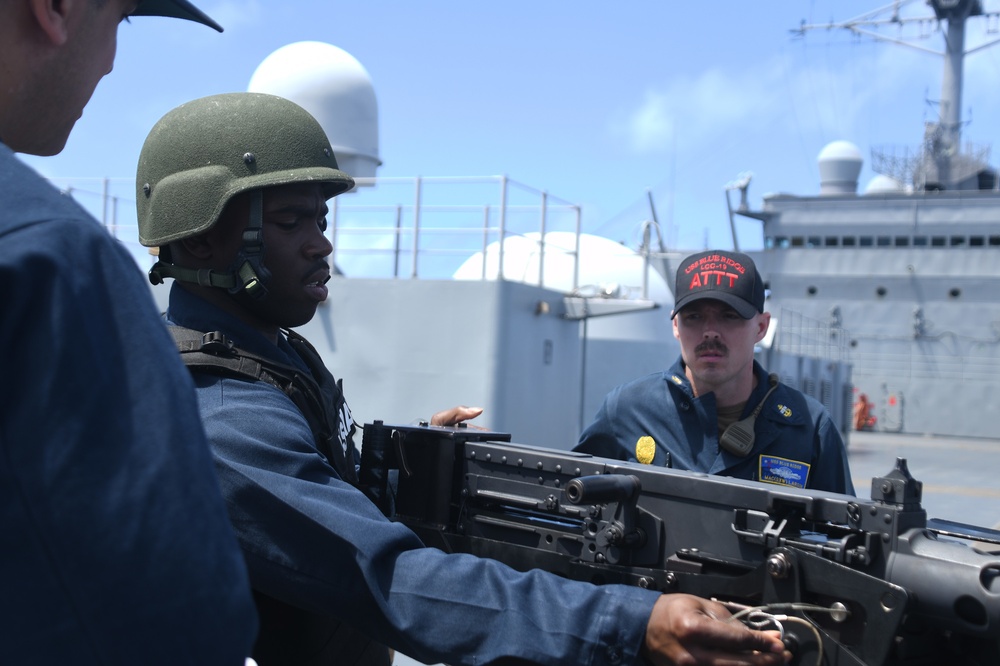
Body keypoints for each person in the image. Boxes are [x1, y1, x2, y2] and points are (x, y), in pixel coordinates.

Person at [136, 91, 789, 666]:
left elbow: (310, 493)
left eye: (320, 220)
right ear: (199, 243)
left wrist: (405, 464)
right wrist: (630, 625)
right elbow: (388, 577)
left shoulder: (270, 357)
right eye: (289, 222)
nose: (320, 244)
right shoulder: (219, 411)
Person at [0, 2, 258, 664]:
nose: (113, 61)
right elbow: (175, 625)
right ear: (54, 9)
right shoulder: (50, 260)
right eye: (120, 20)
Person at [576, 250, 854, 495]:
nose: (710, 331)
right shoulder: (627, 410)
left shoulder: (809, 428)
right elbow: (574, 508)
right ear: (675, 326)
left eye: (729, 315)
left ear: (761, 327)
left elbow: (842, 538)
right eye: (693, 317)